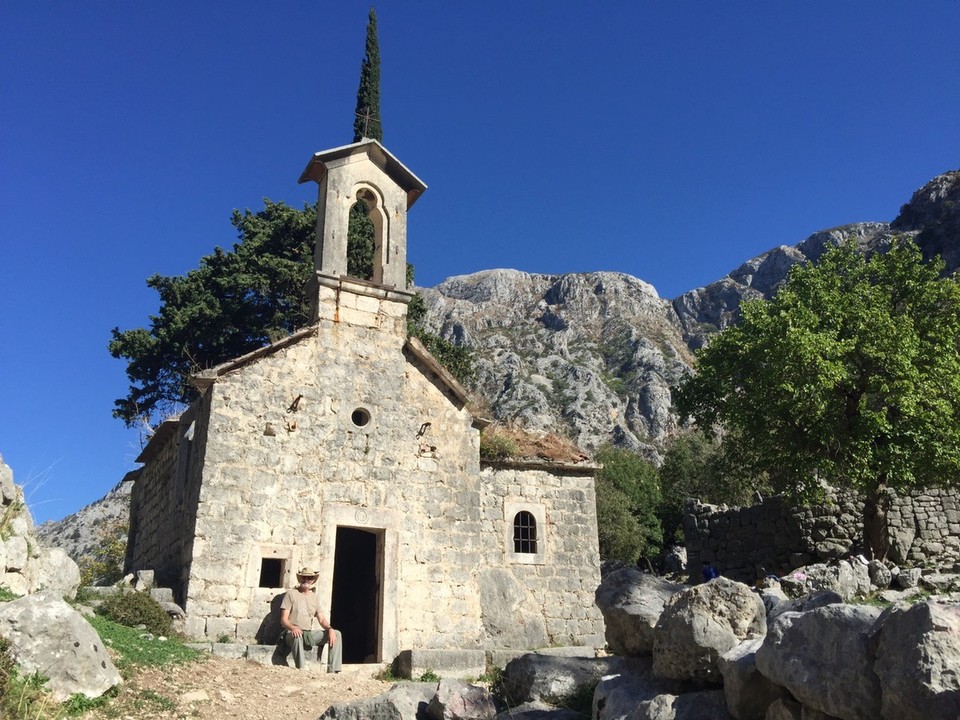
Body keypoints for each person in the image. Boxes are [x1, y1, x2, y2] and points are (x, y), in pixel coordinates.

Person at [279, 567, 343, 672]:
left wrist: (330, 629)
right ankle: (302, 669)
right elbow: (283, 619)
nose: (306, 580)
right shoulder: (291, 594)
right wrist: (293, 627)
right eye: (304, 577)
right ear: (300, 579)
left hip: (308, 634)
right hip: (291, 632)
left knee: (337, 633)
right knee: (297, 635)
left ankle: (333, 671)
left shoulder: (314, 597)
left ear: (313, 580)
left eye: (309, 578)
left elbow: (321, 619)